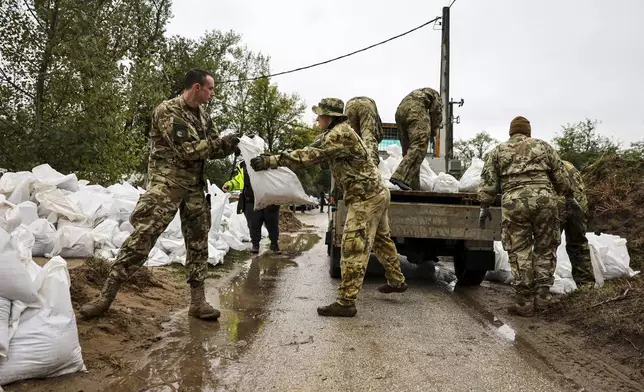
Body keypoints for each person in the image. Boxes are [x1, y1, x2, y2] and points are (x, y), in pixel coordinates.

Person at [80, 69, 240, 321]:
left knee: (198, 244)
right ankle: (105, 297)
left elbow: (212, 149)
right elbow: (188, 150)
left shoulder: (204, 117)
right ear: (197, 87)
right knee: (142, 238)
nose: (213, 93)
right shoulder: (168, 111)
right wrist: (220, 144)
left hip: (194, 189)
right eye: (210, 88)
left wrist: (234, 145)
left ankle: (198, 303)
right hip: (166, 186)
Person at [250, 97, 407, 317]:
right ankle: (397, 280)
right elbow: (311, 148)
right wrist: (275, 156)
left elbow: (308, 156)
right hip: (376, 193)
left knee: (353, 245)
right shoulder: (334, 134)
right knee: (381, 240)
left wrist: (272, 161)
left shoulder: (338, 134)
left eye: (320, 115)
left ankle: (346, 302)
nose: (317, 119)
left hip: (366, 198)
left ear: (330, 117)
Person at [478, 116, 579, 317]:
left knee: (519, 249)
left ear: (511, 132)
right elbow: (561, 177)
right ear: (528, 131)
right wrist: (569, 196)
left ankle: (524, 301)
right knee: (545, 245)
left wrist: (484, 206)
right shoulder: (544, 147)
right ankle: (543, 297)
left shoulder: (498, 151)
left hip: (514, 202)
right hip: (545, 200)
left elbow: (488, 182)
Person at [223, 158, 281, 255]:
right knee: (253, 225)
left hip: (269, 201)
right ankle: (255, 245)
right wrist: (229, 185)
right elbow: (238, 180)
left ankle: (274, 244)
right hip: (251, 201)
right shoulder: (244, 166)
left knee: (272, 224)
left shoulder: (268, 161)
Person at [389, 87, 443, 191]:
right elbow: (436, 111)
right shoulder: (435, 95)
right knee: (419, 146)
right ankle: (401, 176)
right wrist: (433, 130)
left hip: (400, 111)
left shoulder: (415, 93)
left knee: (409, 150)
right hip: (416, 110)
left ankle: (412, 186)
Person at [559, 160, 594, 286]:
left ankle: (542, 290)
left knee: (547, 247)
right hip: (579, 204)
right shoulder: (568, 165)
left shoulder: (546, 166)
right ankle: (586, 286)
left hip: (561, 203)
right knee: (579, 244)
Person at [345, 96, 384, 166]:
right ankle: (371, 167)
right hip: (367, 103)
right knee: (368, 138)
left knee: (349, 139)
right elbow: (379, 134)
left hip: (350, 104)